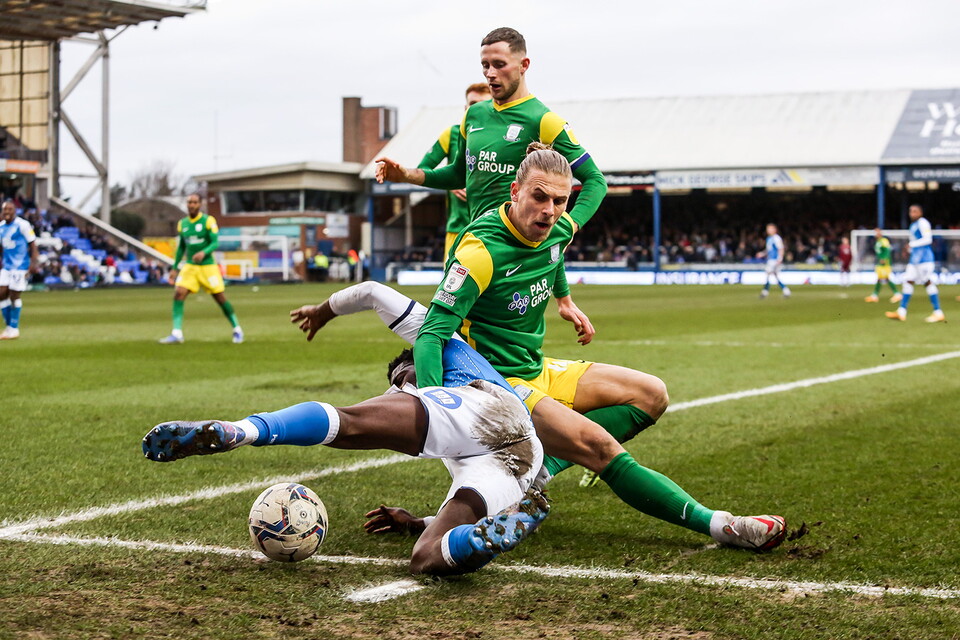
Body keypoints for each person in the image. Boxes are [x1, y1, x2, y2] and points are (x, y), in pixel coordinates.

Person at [409, 145, 786, 551]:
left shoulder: (557, 229)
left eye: (559, 200)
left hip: (537, 366)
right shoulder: (480, 251)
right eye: (539, 197)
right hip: (498, 383)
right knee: (599, 447)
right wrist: (436, 406)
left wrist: (565, 300)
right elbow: (432, 334)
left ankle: (541, 469)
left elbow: (553, 256)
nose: (550, 210)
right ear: (515, 191)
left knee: (651, 394)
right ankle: (723, 526)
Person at [143, 298, 548, 576]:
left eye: (399, 380)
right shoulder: (453, 421)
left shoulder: (440, 339)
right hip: (516, 468)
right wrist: (414, 522)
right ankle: (487, 537)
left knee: (349, 421)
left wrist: (324, 310)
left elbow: (373, 291)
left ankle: (242, 430)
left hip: (493, 410)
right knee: (425, 556)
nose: (398, 390)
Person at [375, 27, 607, 231]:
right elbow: (459, 174)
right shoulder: (473, 115)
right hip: (477, 237)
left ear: (524, 65)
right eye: (485, 66)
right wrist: (406, 174)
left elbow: (595, 180)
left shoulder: (544, 120)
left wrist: (569, 225)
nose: (490, 73)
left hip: (523, 250)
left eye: (499, 65)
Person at [418, 83, 492, 258]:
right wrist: (451, 184)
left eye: (483, 103)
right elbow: (422, 169)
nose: (477, 109)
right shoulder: (451, 134)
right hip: (457, 230)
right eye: (473, 104)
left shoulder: (504, 137)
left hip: (492, 228)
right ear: (466, 107)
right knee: (451, 284)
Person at [159, 194, 243, 344]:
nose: (191, 205)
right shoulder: (182, 224)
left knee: (220, 298)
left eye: (194, 202)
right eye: (189, 202)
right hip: (190, 266)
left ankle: (237, 329)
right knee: (178, 294)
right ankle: (177, 333)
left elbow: (215, 242)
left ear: (200, 204)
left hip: (208, 266)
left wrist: (204, 252)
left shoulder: (208, 221)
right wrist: (175, 267)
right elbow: (181, 248)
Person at [886, 204, 944, 323]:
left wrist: (911, 245)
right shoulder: (913, 225)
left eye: (915, 211)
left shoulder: (923, 223)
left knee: (927, 282)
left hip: (925, 259)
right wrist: (909, 250)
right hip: (915, 259)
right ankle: (901, 312)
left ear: (920, 213)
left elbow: (928, 239)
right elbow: (915, 242)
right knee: (908, 280)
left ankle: (938, 312)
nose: (912, 213)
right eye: (910, 211)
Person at [0, 199, 39, 340]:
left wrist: (33, 264)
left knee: (14, 295)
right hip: (6, 266)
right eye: (5, 209)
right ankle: (10, 327)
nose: (7, 212)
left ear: (14, 211)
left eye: (9, 209)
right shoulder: (1, 227)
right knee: (1, 294)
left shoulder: (23, 225)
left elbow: (33, 244)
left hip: (20, 266)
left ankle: (13, 329)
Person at [865, 228, 902, 303]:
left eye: (877, 232)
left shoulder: (884, 241)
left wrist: (884, 258)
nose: (876, 234)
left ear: (880, 233)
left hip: (885, 263)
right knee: (879, 279)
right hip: (880, 263)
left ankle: (897, 294)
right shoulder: (877, 242)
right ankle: (875, 295)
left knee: (886, 278)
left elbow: (888, 250)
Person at [759, 224, 790, 299]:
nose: (768, 230)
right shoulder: (769, 238)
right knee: (775, 276)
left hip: (774, 260)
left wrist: (780, 258)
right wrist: (762, 254)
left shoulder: (776, 238)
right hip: (770, 259)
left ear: (775, 229)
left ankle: (765, 292)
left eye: (770, 229)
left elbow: (781, 248)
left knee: (768, 274)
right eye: (768, 229)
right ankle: (786, 290)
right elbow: (769, 250)